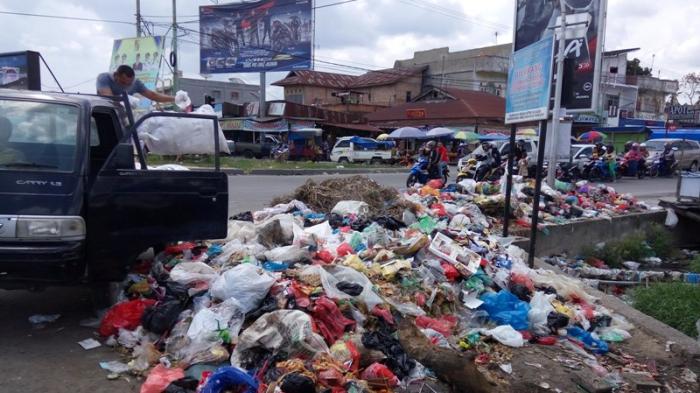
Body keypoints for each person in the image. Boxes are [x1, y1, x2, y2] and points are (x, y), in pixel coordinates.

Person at [96, 65, 175, 103]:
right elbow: (109, 99)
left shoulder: (136, 83)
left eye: (129, 84)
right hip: (105, 114)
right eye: (123, 82)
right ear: (116, 75)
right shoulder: (104, 78)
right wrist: (125, 101)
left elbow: (153, 95)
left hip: (124, 117)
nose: (126, 85)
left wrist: (174, 99)